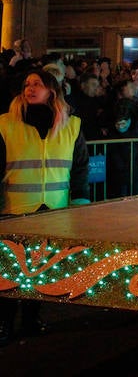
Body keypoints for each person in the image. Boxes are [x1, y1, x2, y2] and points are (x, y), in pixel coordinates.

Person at [0, 69, 89, 346]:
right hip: (14, 209)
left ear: (52, 90)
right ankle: (3, 323)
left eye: (37, 83)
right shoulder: (5, 124)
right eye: (27, 84)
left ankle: (31, 318)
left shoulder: (72, 125)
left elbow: (80, 168)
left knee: (40, 270)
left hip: (53, 210)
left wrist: (79, 202)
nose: (30, 88)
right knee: (8, 272)